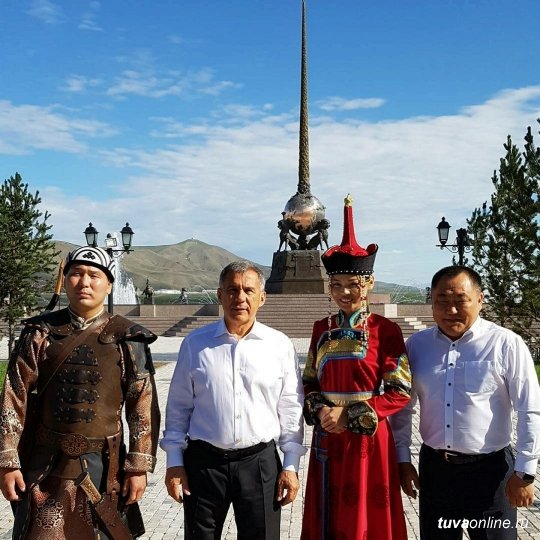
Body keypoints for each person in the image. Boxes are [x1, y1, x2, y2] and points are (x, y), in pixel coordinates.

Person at [0, 246, 161, 540]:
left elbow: (142, 403)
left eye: (93, 275)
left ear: (108, 284)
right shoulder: (40, 333)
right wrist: (7, 461)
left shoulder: (129, 338)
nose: (84, 282)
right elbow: (14, 395)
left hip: (105, 469)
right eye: (76, 274)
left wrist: (138, 466)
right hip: (45, 466)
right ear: (65, 280)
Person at [391, 265, 540, 540]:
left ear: (480, 299)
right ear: (431, 302)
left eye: (461, 300)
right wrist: (403, 460)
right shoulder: (416, 346)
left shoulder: (506, 344)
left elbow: (530, 408)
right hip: (436, 472)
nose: (451, 310)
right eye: (442, 301)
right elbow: (402, 407)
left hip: (491, 473)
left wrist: (526, 471)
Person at [161, 260, 306, 540]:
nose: (240, 297)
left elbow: (291, 408)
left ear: (262, 297)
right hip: (204, 464)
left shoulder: (279, 346)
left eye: (248, 290)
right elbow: (178, 407)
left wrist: (290, 465)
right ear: (220, 295)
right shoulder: (195, 344)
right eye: (232, 290)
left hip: (259, 463)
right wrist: (174, 461)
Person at [301, 194, 412, 540]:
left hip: (368, 439)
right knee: (329, 516)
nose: (344, 293)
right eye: (337, 285)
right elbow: (309, 382)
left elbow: (399, 391)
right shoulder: (321, 329)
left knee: (365, 520)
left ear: (369, 284)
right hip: (327, 437)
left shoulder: (385, 330)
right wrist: (322, 411)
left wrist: (349, 414)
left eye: (353, 285)